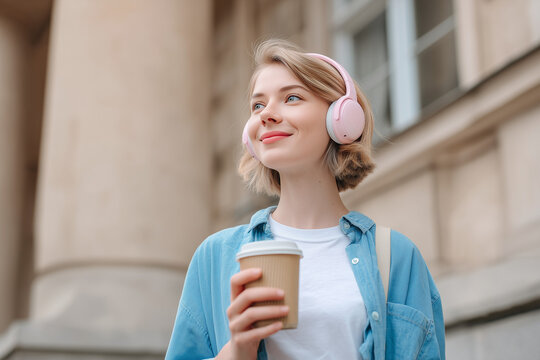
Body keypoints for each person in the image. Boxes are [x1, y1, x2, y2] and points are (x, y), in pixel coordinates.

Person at [165, 39, 445, 360]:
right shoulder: (215, 256)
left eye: (292, 98)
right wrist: (238, 350)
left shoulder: (397, 257)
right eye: (258, 106)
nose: (267, 114)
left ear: (341, 119)